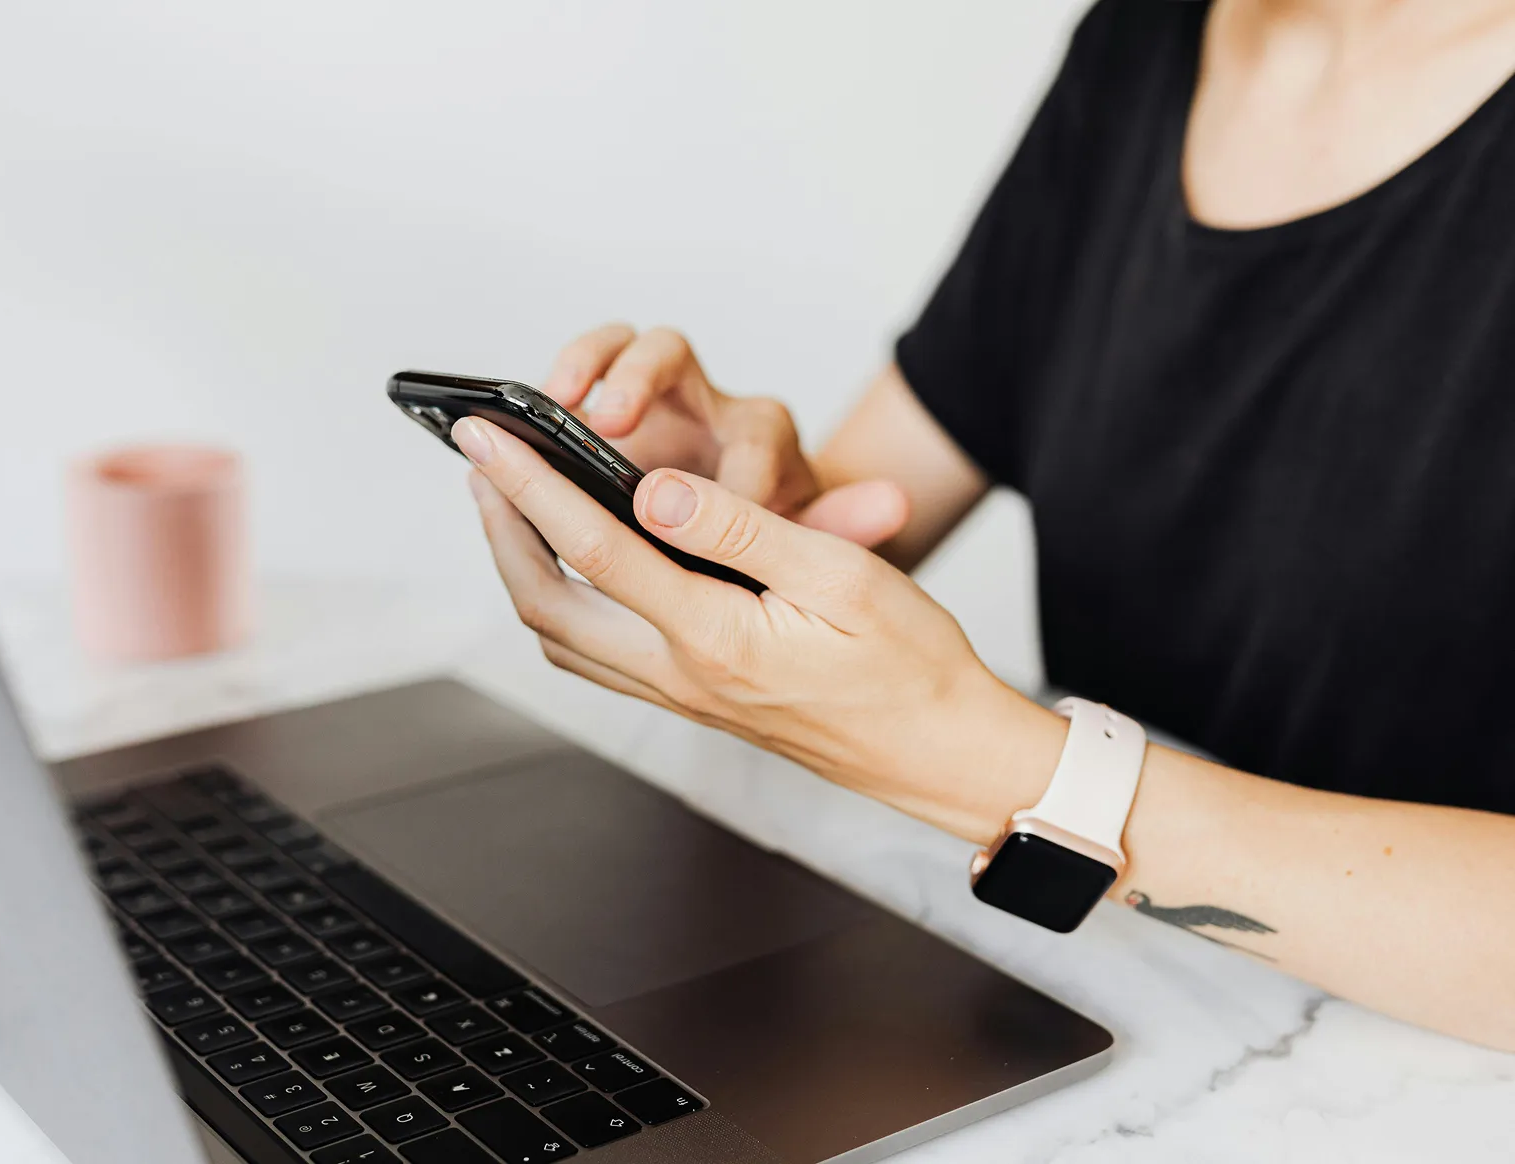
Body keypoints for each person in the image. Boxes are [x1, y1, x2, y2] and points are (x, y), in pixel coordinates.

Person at [456, 0, 1515, 1051]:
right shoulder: (1146, 41)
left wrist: (1020, 776)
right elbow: (871, 498)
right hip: (1115, 1016)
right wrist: (718, 509)